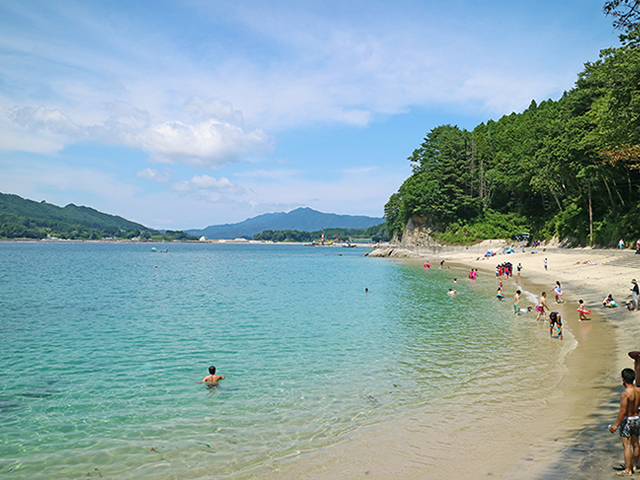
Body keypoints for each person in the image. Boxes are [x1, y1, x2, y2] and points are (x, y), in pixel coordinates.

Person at [609, 368, 640, 476]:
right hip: (637, 419)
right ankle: (634, 466)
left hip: (627, 420)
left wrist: (616, 425)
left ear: (623, 379)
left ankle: (628, 470)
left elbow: (623, 411)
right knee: (636, 444)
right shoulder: (639, 390)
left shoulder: (625, 393)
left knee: (627, 446)